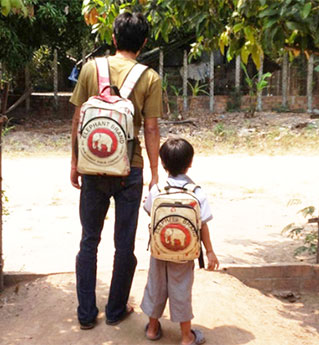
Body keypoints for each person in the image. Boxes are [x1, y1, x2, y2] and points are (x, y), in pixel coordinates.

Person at [69, 12, 162, 330]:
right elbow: (151, 129)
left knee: (88, 241)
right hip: (129, 171)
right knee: (124, 244)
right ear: (144, 43)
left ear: (113, 38)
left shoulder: (91, 69)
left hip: (93, 167)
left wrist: (74, 163)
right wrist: (154, 172)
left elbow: (79, 120)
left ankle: (85, 314)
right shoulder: (150, 78)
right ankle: (115, 309)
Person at [141, 137, 219, 345]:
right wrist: (210, 252)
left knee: (155, 285)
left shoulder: (157, 189)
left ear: (163, 164)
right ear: (190, 162)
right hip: (185, 253)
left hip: (159, 250)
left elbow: (149, 210)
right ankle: (186, 336)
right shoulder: (196, 192)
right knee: (181, 288)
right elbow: (203, 225)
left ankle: (152, 328)